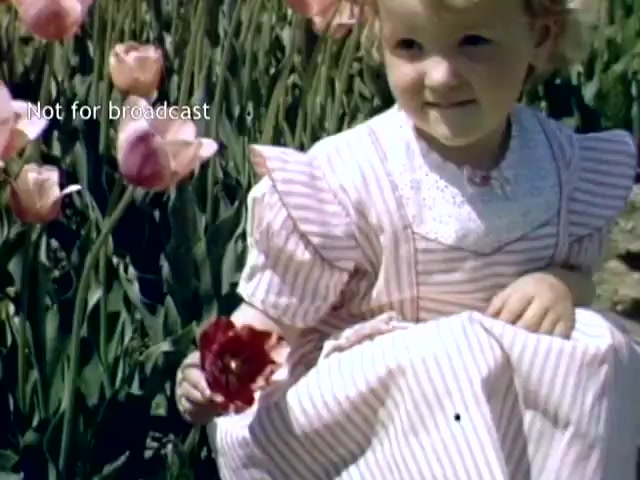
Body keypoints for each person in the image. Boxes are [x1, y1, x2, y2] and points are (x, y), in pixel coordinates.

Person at [175, 0, 640, 477]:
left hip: (509, 408)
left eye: (473, 43)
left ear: (539, 38)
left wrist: (559, 285)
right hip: (379, 410)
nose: (439, 76)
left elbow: (584, 278)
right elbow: (276, 315)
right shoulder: (350, 177)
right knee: (456, 352)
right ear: (381, 39)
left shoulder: (561, 167)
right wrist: (217, 369)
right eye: (410, 46)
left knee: (599, 341)